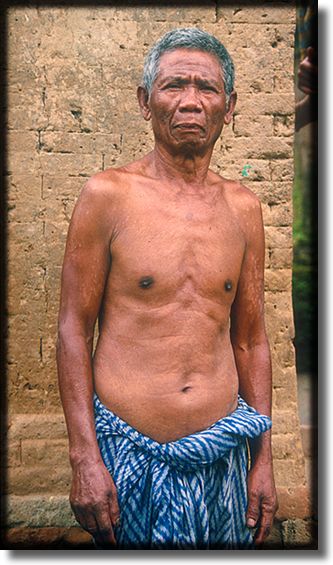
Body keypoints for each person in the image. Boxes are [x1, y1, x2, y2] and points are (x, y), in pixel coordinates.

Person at [57, 27, 278, 550]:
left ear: (229, 106)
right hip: (127, 457)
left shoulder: (243, 208)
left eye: (207, 88)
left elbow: (250, 341)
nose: (190, 102)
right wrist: (84, 457)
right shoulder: (107, 196)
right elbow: (72, 331)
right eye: (174, 85)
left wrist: (263, 459)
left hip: (221, 458)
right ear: (145, 101)